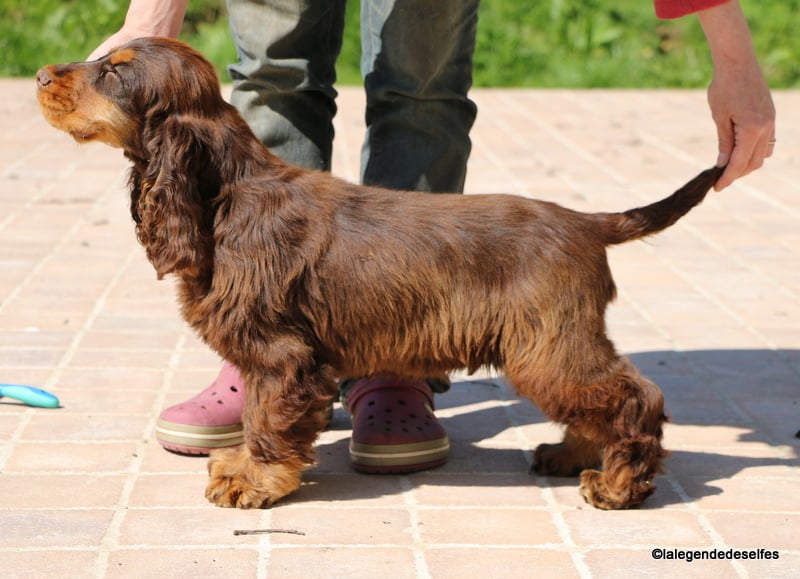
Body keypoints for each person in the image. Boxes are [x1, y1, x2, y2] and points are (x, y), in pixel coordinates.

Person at [90, 0, 776, 472]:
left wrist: (734, 57)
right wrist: (152, 15)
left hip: (527, 256)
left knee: (423, 89)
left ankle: (394, 367)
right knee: (273, 75)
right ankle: (269, 358)